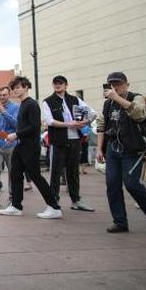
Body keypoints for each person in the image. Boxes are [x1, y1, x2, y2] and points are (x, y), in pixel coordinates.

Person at [96, 72, 146, 234]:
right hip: (113, 148)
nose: (115, 87)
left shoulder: (136, 98)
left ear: (127, 84)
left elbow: (140, 114)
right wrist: (100, 148)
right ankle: (120, 221)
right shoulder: (108, 104)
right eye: (111, 84)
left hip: (132, 148)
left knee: (132, 184)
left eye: (118, 84)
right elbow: (101, 125)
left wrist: (118, 98)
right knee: (112, 185)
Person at [0, 76, 62, 219]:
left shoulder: (31, 104)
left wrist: (16, 134)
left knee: (35, 176)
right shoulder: (23, 104)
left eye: (18, 87)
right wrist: (15, 136)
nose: (16, 90)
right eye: (14, 88)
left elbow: (34, 126)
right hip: (21, 146)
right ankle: (16, 205)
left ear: (26, 87)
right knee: (15, 173)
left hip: (30, 146)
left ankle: (54, 207)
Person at [42, 75, 96, 212]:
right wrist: (68, 124)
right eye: (55, 83)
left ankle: (76, 200)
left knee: (73, 172)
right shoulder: (48, 101)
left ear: (66, 85)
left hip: (75, 140)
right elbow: (49, 121)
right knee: (56, 172)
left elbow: (92, 113)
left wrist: (84, 122)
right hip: (58, 141)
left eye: (60, 83)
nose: (57, 85)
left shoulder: (75, 99)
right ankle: (53, 202)